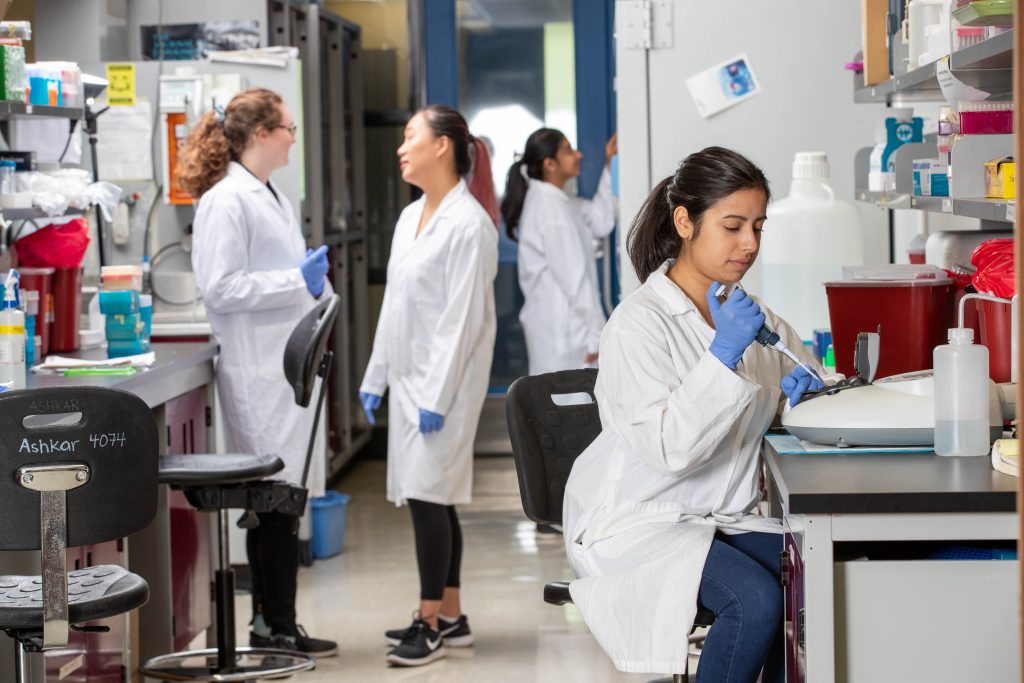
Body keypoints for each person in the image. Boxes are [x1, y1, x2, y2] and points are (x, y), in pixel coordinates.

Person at [562, 147, 826, 682]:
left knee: (813, 574)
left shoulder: (754, 317)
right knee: (753, 600)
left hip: (718, 516)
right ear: (685, 222)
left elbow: (793, 388)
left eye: (757, 226)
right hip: (639, 519)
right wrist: (722, 358)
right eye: (732, 226)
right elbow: (670, 450)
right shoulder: (639, 324)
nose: (749, 243)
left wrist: (801, 398)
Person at [179, 87, 337, 658]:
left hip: (283, 371)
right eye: (289, 128)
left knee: (284, 503)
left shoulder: (271, 194)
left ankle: (277, 625)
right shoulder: (226, 201)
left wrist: (310, 288)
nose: (294, 138)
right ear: (263, 134)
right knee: (274, 503)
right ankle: (273, 629)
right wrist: (298, 281)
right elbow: (219, 289)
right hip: (255, 374)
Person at [357, 105, 499, 667]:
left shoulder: (470, 224)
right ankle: (454, 615)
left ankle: (428, 623)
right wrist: (375, 376)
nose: (401, 147)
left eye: (410, 136)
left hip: (446, 385)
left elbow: (460, 323)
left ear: (443, 146)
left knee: (426, 497)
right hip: (409, 378)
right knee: (434, 496)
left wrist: (436, 398)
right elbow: (395, 304)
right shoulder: (412, 215)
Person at [501, 128, 617, 375]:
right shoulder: (551, 211)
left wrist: (610, 165)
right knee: (566, 405)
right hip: (565, 335)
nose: (578, 154)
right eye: (568, 150)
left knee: (560, 405)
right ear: (550, 164)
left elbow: (601, 220)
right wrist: (598, 335)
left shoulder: (558, 203)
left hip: (561, 333)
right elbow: (575, 281)